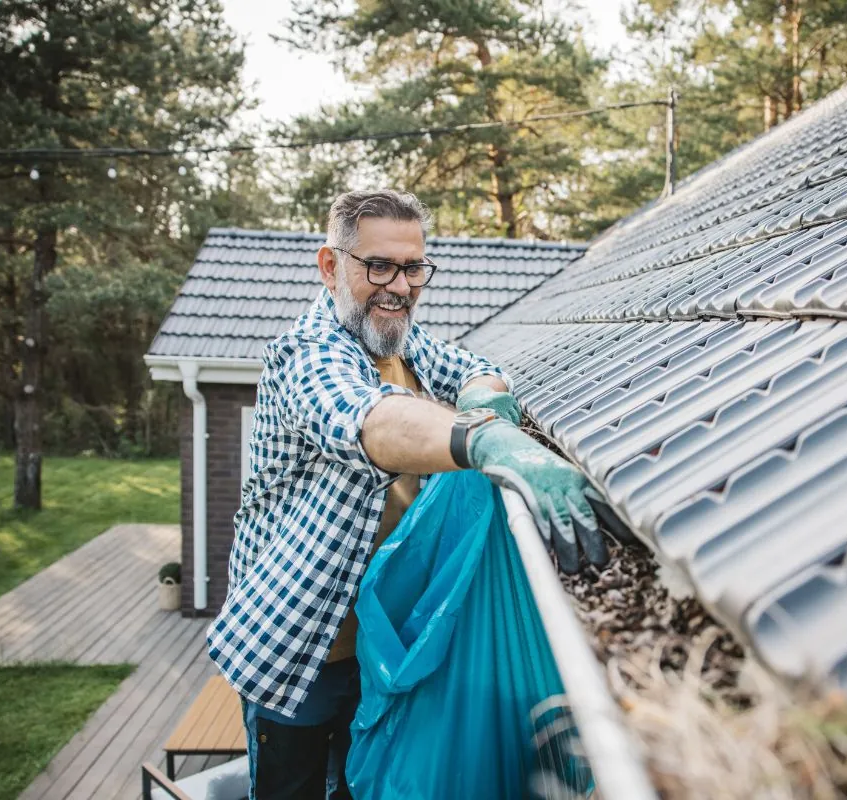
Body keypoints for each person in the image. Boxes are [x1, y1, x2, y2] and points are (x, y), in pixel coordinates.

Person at [207, 189, 609, 799]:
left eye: (413, 266)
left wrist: (480, 392)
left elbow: (475, 367)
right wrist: (490, 442)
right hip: (298, 647)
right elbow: (373, 423)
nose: (399, 285)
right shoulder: (306, 355)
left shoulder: (401, 341)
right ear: (329, 265)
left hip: (383, 640)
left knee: (374, 784)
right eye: (378, 266)